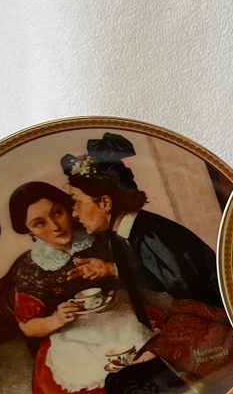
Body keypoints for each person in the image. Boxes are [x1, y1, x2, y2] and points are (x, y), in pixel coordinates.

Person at [5, 182, 164, 394]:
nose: (55, 226)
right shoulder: (31, 269)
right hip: (70, 335)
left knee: (154, 360)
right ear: (28, 231)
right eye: (39, 223)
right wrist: (56, 319)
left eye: (57, 213)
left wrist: (114, 278)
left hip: (118, 316)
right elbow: (28, 326)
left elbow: (140, 273)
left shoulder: (98, 238)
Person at [62, 132, 223, 309]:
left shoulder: (151, 234)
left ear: (105, 203)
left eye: (77, 203)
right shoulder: (123, 233)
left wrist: (114, 269)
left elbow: (181, 289)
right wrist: (109, 269)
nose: (74, 213)